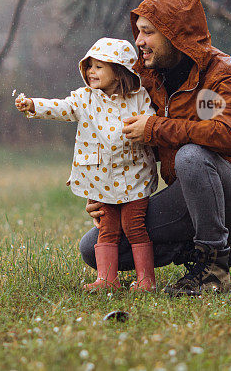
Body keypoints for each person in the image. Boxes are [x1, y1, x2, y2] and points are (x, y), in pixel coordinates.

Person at [80, 0, 231, 296]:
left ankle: (213, 270)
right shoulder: (146, 77)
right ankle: (196, 252)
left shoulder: (224, 73)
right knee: (94, 247)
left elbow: (229, 135)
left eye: (148, 32)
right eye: (138, 32)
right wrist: (106, 190)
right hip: (189, 194)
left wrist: (156, 127)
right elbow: (128, 142)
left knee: (191, 155)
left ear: (175, 35)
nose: (139, 41)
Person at [15, 37, 159, 292]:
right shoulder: (84, 99)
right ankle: (107, 280)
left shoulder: (138, 97)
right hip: (100, 177)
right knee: (107, 227)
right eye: (89, 66)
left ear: (118, 70)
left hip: (134, 175)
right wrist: (34, 105)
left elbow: (151, 121)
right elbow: (62, 107)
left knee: (134, 225)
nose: (91, 72)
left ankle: (146, 281)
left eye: (98, 67)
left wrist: (143, 126)